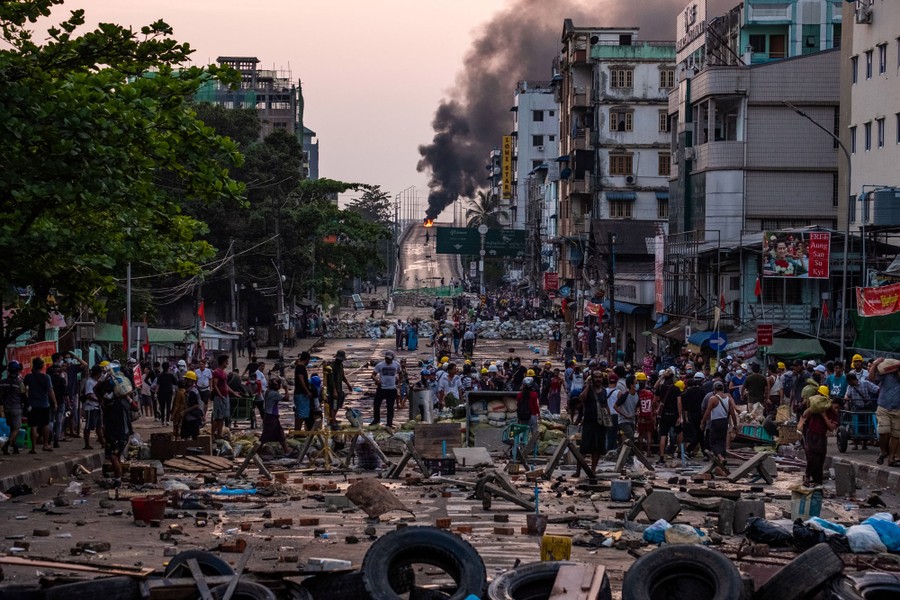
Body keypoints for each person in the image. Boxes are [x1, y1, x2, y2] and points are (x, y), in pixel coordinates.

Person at [796, 387, 839, 486]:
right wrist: (810, 407)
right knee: (812, 457)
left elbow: (831, 427)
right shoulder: (815, 408)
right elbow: (805, 415)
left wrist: (824, 416)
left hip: (821, 437)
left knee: (820, 460)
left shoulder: (829, 411)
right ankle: (808, 477)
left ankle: (817, 482)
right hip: (811, 435)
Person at [97, 363, 132, 478]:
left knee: (113, 457)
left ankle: (118, 480)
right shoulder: (112, 403)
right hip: (113, 434)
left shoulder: (117, 402)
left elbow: (135, 408)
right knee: (114, 457)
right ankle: (119, 478)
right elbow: (97, 392)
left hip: (120, 434)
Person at [573, 369, 608, 476]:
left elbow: (605, 405)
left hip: (600, 424)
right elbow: (581, 398)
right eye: (596, 377)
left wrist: (608, 420)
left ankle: (593, 470)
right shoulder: (587, 389)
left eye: (600, 377)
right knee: (584, 449)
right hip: (589, 423)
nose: (598, 379)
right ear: (592, 379)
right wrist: (588, 385)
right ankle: (578, 471)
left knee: (597, 449)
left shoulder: (604, 391)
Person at [869, 358, 900, 466]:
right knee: (884, 431)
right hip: (884, 407)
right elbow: (871, 378)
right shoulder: (887, 374)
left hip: (898, 410)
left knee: (896, 435)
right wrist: (874, 364)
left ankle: (891, 459)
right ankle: (883, 452)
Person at [700, 380, 738, 466]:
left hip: (715, 422)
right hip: (724, 421)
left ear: (714, 389)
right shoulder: (728, 398)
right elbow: (732, 413)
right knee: (722, 441)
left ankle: (720, 457)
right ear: (723, 388)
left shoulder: (713, 399)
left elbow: (707, 412)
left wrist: (703, 422)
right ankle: (722, 458)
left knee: (713, 441)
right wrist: (735, 425)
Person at [23, 358, 56, 453]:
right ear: (42, 367)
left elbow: (23, 388)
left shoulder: (29, 377)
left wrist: (26, 397)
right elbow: (50, 391)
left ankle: (33, 448)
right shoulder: (46, 377)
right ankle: (45, 445)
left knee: (33, 426)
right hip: (44, 404)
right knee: (45, 424)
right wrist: (54, 402)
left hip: (32, 405)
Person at [655, 369, 682, 464]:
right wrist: (680, 416)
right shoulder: (676, 388)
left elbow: (656, 392)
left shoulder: (661, 387)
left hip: (664, 415)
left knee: (663, 435)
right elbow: (679, 402)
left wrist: (662, 377)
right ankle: (680, 453)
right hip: (674, 414)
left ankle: (662, 457)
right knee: (679, 432)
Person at [260, 377, 290, 455]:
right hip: (271, 416)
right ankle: (256, 451)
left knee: (280, 434)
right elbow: (286, 398)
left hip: (271, 416)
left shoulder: (268, 391)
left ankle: (286, 451)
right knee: (265, 436)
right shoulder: (273, 393)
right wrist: (286, 388)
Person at [211, 355, 238, 439]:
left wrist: (233, 393)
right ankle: (211, 435)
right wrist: (220, 395)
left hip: (225, 396)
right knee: (217, 417)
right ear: (223, 362)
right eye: (226, 361)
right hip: (219, 397)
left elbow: (225, 385)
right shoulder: (216, 372)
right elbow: (214, 386)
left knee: (222, 417)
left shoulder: (223, 372)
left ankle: (219, 435)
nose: (227, 363)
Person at [1, 361, 25, 455]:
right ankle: (6, 445)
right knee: (17, 428)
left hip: (6, 408)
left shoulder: (2, 382)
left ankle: (15, 447)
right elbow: (23, 396)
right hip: (16, 408)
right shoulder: (19, 383)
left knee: (12, 428)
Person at [371, 350, 400, 427]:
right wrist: (377, 380)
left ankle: (389, 423)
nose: (388, 360)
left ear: (393, 358)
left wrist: (399, 382)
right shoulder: (380, 365)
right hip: (382, 388)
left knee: (390, 407)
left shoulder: (396, 365)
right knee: (376, 405)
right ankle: (376, 420)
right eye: (387, 359)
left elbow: (400, 373)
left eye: (389, 359)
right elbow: (373, 375)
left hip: (392, 389)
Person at [615, 374, 639, 444]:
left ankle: (623, 453)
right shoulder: (625, 395)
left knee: (627, 438)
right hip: (623, 420)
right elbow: (615, 406)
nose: (637, 385)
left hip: (632, 420)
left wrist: (637, 410)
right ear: (631, 385)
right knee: (631, 436)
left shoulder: (637, 395)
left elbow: (638, 405)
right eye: (635, 383)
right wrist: (625, 415)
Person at [293, 351, 315, 432]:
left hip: (301, 394)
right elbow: (301, 380)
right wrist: (307, 391)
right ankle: (297, 431)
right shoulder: (300, 368)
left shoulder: (299, 367)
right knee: (301, 414)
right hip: (301, 394)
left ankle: (297, 431)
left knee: (302, 413)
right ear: (307, 359)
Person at [180, 371, 204, 440]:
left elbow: (195, 405)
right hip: (189, 418)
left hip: (193, 418)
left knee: (194, 438)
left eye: (187, 379)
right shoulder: (189, 391)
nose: (185, 381)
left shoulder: (192, 392)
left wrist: (184, 411)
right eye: (185, 379)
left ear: (191, 381)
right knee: (185, 436)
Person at [154, 362, 177, 427]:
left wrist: (155, 393)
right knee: (168, 406)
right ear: (168, 367)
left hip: (161, 393)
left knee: (162, 407)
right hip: (169, 393)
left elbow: (158, 385)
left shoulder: (160, 375)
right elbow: (175, 382)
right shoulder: (171, 375)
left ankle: (162, 421)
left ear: (162, 367)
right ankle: (167, 421)